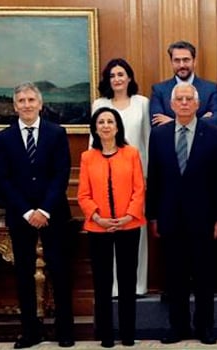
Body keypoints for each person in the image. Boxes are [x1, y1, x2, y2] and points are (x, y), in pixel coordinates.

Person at [146, 83, 217, 345]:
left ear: (197, 104)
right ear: (171, 105)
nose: (183, 103)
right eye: (179, 99)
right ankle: (178, 327)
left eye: (188, 99)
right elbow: (155, 179)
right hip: (170, 218)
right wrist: (154, 216)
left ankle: (205, 327)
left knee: (205, 276)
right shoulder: (158, 135)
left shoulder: (215, 135)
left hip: (205, 220)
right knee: (175, 277)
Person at [0, 82, 74, 348]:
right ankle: (30, 332)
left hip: (54, 214)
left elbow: (62, 174)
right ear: (15, 106)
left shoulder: (57, 133)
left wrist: (45, 209)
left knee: (60, 271)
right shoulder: (4, 139)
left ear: (40, 104)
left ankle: (65, 331)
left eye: (31, 100)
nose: (27, 105)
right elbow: (2, 180)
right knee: (24, 274)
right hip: (21, 215)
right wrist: (28, 212)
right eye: (22, 101)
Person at [77, 107, 145, 348]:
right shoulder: (88, 157)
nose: (106, 125)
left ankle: (128, 334)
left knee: (127, 282)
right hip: (98, 228)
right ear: (95, 128)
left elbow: (139, 189)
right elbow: (83, 194)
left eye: (110, 121)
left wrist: (128, 216)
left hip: (130, 225)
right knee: (102, 283)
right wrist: (97, 218)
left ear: (117, 127)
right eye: (101, 122)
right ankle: (106, 335)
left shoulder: (132, 153)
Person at [92, 58, 151, 297]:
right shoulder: (99, 104)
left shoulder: (142, 103)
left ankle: (137, 285)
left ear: (129, 77)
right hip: (105, 177)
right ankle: (113, 287)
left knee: (135, 230)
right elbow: (92, 144)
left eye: (121, 74)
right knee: (109, 230)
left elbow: (147, 140)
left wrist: (147, 176)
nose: (117, 79)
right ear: (108, 80)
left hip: (136, 177)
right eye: (112, 75)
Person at [149, 41, 217, 127]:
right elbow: (157, 124)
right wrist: (200, 121)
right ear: (171, 62)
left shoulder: (211, 89)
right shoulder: (158, 90)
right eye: (177, 60)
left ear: (194, 61)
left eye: (186, 60)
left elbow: (216, 121)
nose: (182, 65)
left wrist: (172, 122)